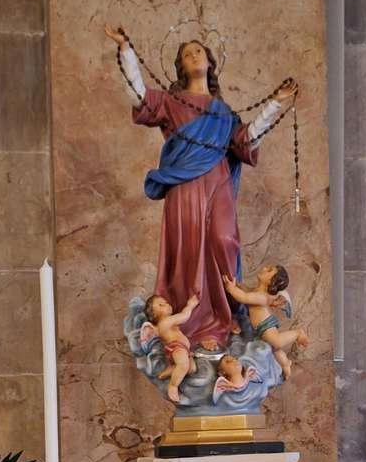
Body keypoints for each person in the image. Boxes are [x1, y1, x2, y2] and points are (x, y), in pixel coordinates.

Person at [105, 24, 298, 350]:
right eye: (187, 54)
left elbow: (246, 140)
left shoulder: (224, 113)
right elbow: (139, 95)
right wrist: (125, 49)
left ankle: (225, 312)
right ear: (182, 66)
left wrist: (275, 104)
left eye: (198, 51)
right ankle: (192, 321)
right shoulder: (171, 102)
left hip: (218, 183)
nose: (194, 56)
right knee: (189, 249)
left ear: (209, 61)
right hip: (185, 186)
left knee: (224, 240)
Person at [223, 265, 308, 378]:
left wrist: (231, 289)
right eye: (267, 267)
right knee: (274, 349)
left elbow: (244, 297)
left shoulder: (262, 297)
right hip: (260, 328)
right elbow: (246, 291)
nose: (264, 269)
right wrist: (238, 286)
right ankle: (286, 364)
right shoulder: (257, 291)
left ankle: (298, 333)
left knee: (276, 342)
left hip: (266, 326)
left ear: (270, 281)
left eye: (269, 270)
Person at [144, 293, 199, 403]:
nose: (167, 304)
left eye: (166, 302)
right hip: (176, 348)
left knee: (192, 368)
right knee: (183, 365)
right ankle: (173, 386)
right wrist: (190, 305)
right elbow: (184, 316)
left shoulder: (169, 321)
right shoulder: (165, 322)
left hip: (183, 350)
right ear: (154, 314)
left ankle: (168, 372)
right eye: (161, 304)